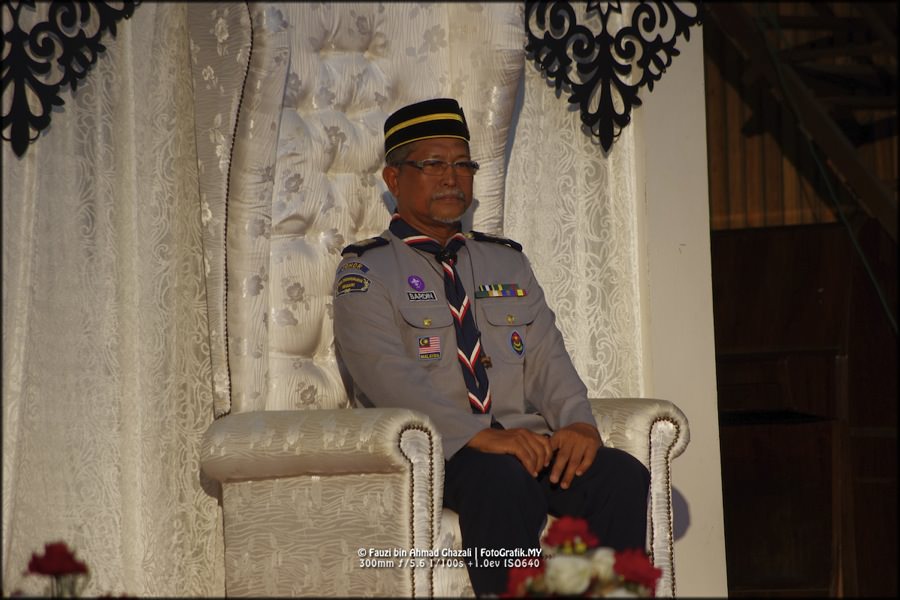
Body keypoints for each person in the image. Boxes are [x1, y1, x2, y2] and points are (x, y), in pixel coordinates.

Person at [333, 98, 650, 596]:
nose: (452, 178)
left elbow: (545, 356)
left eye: (463, 165)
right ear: (394, 179)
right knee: (502, 477)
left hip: (521, 442)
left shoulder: (506, 263)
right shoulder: (367, 271)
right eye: (433, 164)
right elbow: (386, 376)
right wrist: (478, 436)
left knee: (619, 475)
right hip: (439, 451)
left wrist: (578, 423)